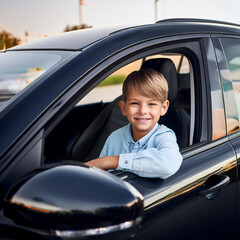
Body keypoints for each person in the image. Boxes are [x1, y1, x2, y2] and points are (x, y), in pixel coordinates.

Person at [85, 68, 182, 178]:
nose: (142, 111)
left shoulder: (164, 136)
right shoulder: (114, 138)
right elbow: (100, 175)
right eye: (135, 103)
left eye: (151, 104)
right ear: (123, 108)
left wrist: (112, 161)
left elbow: (168, 164)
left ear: (163, 108)